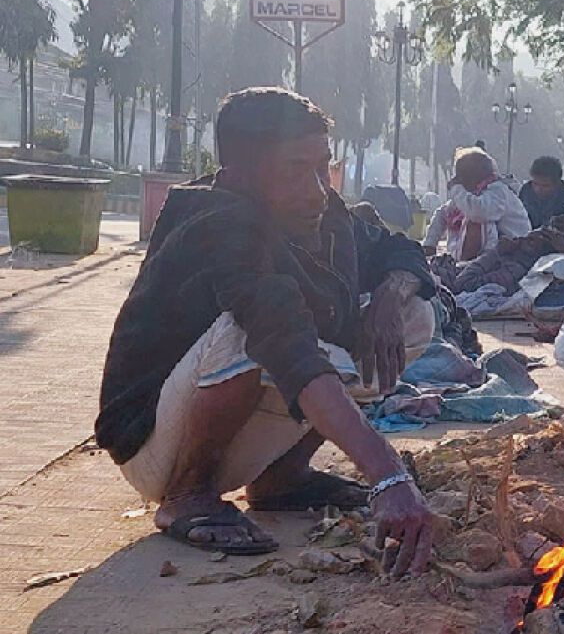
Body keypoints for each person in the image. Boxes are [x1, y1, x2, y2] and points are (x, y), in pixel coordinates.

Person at [97, 88, 440, 575]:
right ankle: (187, 496)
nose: (318, 188)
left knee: (412, 316)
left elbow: (398, 252)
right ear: (239, 175)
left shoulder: (327, 213)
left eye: (323, 166)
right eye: (295, 171)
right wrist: (389, 478)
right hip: (155, 445)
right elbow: (286, 343)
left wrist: (389, 294)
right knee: (250, 334)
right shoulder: (218, 223)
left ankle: (282, 479)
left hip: (241, 440)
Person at [423, 147, 532, 261]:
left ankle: (469, 263)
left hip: (513, 253)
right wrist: (430, 244)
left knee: (475, 222)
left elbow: (478, 212)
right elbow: (443, 214)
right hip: (494, 253)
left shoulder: (498, 191)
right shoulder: (473, 193)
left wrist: (456, 189)